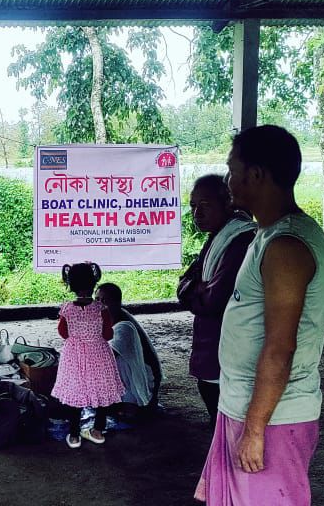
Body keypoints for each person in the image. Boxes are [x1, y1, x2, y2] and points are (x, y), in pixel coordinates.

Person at [194, 125, 324, 506]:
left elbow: (279, 347)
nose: (228, 180)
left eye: (232, 168)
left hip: (273, 418)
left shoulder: (287, 246)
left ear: (256, 175)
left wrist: (255, 429)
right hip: (244, 405)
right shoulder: (267, 236)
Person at [178, 174, 257, 428]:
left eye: (205, 205)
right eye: (192, 207)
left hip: (227, 353)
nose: (197, 213)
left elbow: (213, 302)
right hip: (211, 351)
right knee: (221, 424)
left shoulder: (240, 240)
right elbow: (184, 284)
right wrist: (194, 288)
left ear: (228, 202)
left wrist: (195, 290)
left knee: (229, 426)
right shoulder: (218, 237)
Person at [51, 262, 125, 449]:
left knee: (76, 393)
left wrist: (79, 338)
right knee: (101, 391)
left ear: (70, 285)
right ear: (94, 283)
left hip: (74, 356)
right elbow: (108, 335)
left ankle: (74, 436)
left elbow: (63, 333)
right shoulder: (102, 309)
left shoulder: (67, 309)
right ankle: (97, 431)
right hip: (99, 355)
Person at [97, 283, 162, 415]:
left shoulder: (124, 326)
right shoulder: (109, 318)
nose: (97, 305)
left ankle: (133, 403)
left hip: (144, 378)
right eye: (96, 300)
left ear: (115, 302)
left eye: (102, 300)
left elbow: (105, 357)